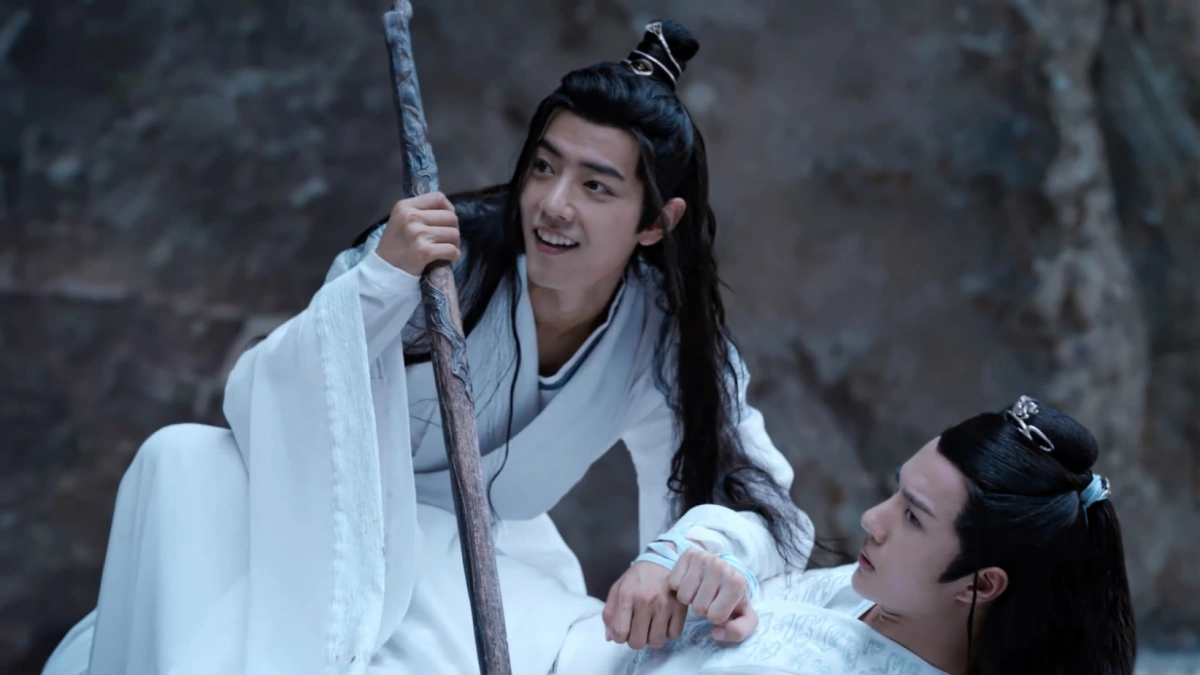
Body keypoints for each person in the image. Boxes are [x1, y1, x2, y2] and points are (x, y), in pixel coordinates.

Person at [40, 18, 814, 675]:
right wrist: (379, 283)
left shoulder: (665, 337)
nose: (552, 204)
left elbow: (753, 497)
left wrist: (682, 555)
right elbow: (271, 401)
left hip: (479, 572)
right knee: (181, 464)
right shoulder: (439, 258)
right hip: (317, 530)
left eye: (596, 186)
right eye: (544, 166)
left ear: (656, 221)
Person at [624, 395, 1138, 675]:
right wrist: (706, 564)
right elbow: (778, 541)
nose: (872, 518)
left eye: (913, 517)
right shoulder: (882, 593)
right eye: (897, 490)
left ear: (980, 584)